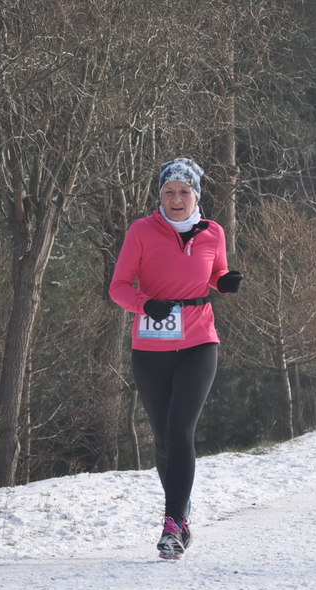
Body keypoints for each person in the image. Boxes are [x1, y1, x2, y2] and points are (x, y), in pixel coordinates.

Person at [109, 158, 242, 559]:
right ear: (160, 195)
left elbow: (215, 272)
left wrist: (224, 281)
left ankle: (172, 524)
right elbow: (118, 287)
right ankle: (181, 512)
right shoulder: (142, 231)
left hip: (199, 341)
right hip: (151, 347)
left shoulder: (213, 232)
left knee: (181, 430)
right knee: (164, 438)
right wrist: (145, 304)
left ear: (196, 195)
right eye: (169, 191)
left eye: (185, 191)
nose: (177, 198)